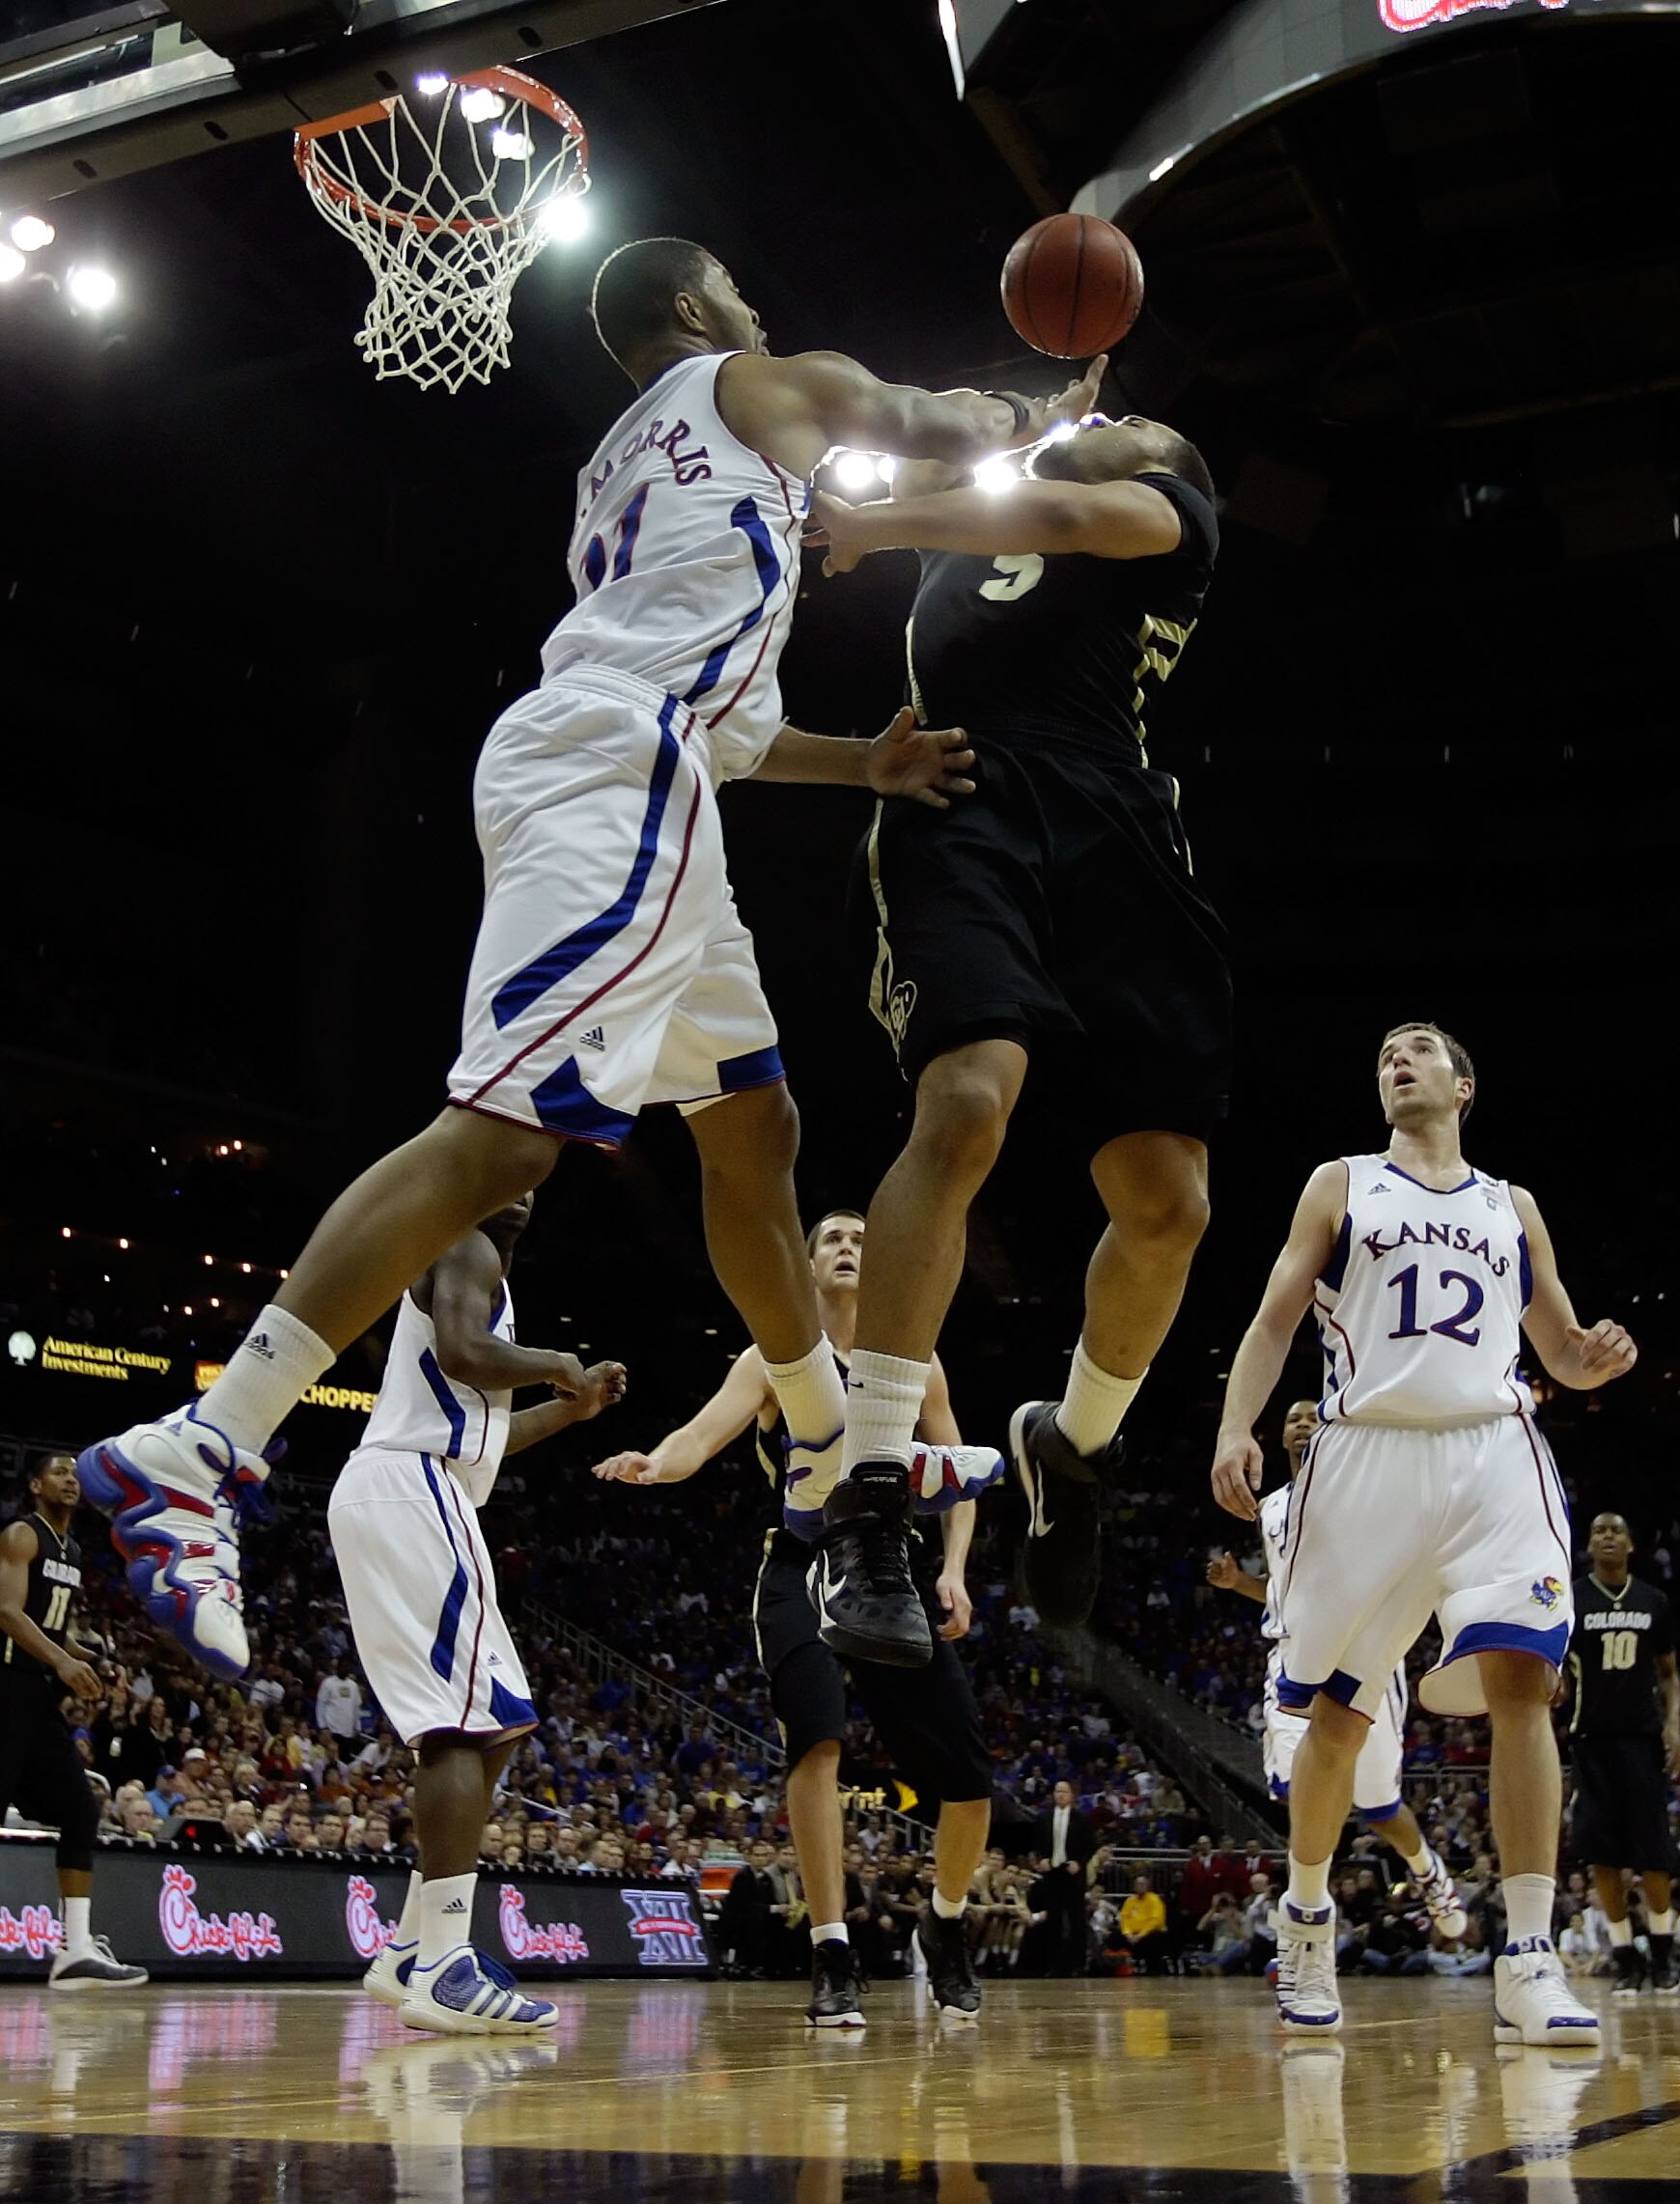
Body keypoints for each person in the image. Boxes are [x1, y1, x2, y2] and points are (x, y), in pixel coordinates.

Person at [75, 237, 1103, 1684]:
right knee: (501, 1140)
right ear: (694, 307)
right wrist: (1037, 408)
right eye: (741, 284)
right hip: (620, 771)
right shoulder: (756, 378)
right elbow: (923, 422)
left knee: (755, 1122)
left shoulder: (623, 464)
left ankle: (820, 1442)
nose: (761, 299)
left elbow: (727, 716)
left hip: (649, 769)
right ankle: (201, 1444)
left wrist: (858, 761)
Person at [806, 414, 1228, 1636]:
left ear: (1167, 464)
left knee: (1170, 1204)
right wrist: (1002, 419)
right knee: (972, 1098)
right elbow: (917, 434)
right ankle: (873, 1501)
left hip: (1118, 826)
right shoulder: (966, 486)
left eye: (1140, 420)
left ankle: (1071, 1444)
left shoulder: (1173, 516)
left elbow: (1051, 516)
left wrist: (878, 526)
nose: (1116, 419)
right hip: (968, 795)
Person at [1211, 1020, 1638, 2046]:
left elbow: (1560, 1348)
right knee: (1339, 1723)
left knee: (1524, 1679)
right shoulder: (1341, 1182)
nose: (1396, 1062)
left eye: (1416, 1051)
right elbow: (1274, 1318)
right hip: (1367, 1456)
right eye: (1384, 1057)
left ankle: (1528, 1955)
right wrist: (1233, 1424)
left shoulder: (1510, 1205)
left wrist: (1593, 1359)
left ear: (1464, 1084)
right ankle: (1306, 1916)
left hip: (1494, 1448)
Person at [594, 1208, 1001, 2026]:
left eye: (862, 1240)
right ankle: (831, 1948)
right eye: (834, 1240)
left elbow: (960, 1471)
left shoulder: (916, 1364)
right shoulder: (776, 1357)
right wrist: (655, 1463)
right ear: (809, 1264)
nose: (850, 1249)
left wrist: (955, 1570)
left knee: (968, 1780)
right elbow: (703, 1432)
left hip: (893, 1568)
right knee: (817, 1743)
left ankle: (946, 1921)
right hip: (803, 1564)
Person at [328, 1195, 625, 2034]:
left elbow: (478, 1424)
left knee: (501, 1722)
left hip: (420, 1485)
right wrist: (556, 1361)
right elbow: (467, 1351)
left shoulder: (471, 1260)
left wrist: (571, 1406)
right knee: (459, 1727)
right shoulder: (463, 1241)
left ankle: (412, 1948)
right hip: (414, 1488)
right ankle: (446, 1966)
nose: (528, 1185)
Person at [1207, 1397, 1467, 1942]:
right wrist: (1240, 1585)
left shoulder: (1366, 1493)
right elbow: (1282, 1592)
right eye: (1292, 1420)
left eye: (1312, 1417)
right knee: (1298, 1788)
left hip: (1363, 1656)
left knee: (1378, 1807)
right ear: (1281, 1439)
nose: (1302, 1425)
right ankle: (1308, 1916)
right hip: (1294, 1655)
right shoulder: (1271, 1507)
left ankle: (1426, 1870)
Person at [0, 1452, 148, 1987]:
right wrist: (62, 1661)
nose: (69, 1480)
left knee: (79, 1809)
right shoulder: (22, 1534)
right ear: (36, 1484)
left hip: (36, 1695)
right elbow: (8, 1612)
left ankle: (76, 1950)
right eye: (58, 1473)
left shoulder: (73, 1550)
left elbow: (52, 1627)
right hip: (7, 1684)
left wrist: (89, 1658)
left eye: (73, 1474)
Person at [1561, 1511, 1679, 1995]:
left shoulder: (1654, 1600)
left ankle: (1665, 1955)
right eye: (1598, 1531)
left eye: (1616, 1531)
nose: (1607, 1536)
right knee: (1603, 1859)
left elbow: (1670, 1673)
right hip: (1590, 1740)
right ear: (1589, 1544)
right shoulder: (1572, 1599)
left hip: (1642, 1740)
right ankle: (1626, 1956)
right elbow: (1553, 1664)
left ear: (1630, 1544)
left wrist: (1674, 1724)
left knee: (1653, 1858)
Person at [1033, 1779, 1094, 1975]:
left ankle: (1078, 1964)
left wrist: (1080, 1863)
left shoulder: (1081, 1819)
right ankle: (1054, 1965)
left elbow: (1091, 1846)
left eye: (1064, 1791)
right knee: (1053, 1920)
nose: (1060, 1794)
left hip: (1072, 1873)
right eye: (1057, 1791)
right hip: (1052, 1873)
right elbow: (1036, 1843)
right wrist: (1041, 1859)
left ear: (1071, 1795)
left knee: (1077, 1920)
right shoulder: (1044, 1817)